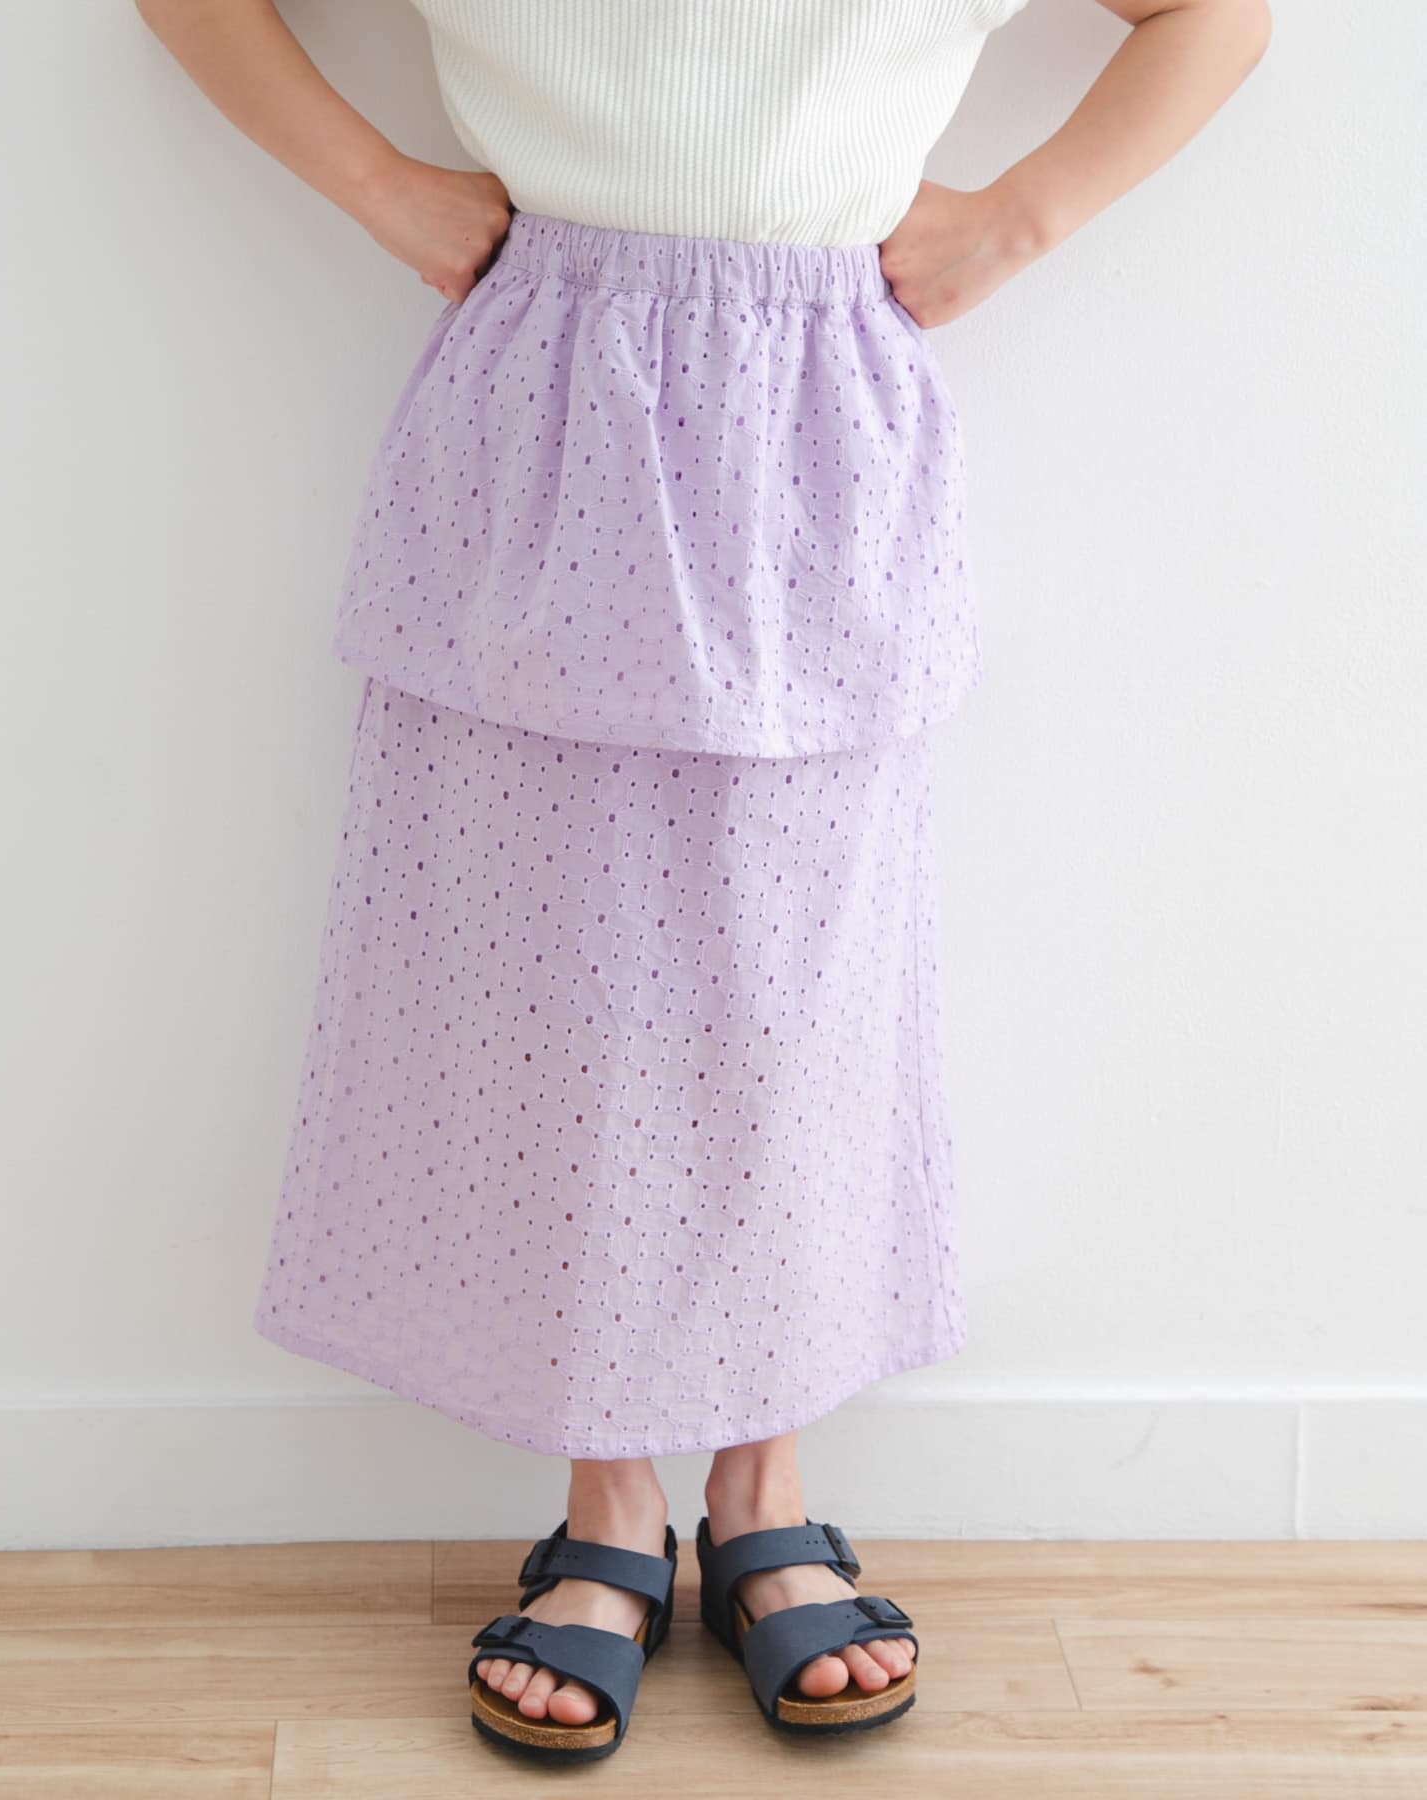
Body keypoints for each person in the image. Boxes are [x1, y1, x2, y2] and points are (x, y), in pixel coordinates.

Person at [136, 0, 1272, 1764]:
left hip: (816, 409)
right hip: (550, 392)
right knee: (551, 980)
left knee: (793, 994)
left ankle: (765, 1485)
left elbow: (1220, 16)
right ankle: (607, 1495)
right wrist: (382, 187)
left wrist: (1012, 222)